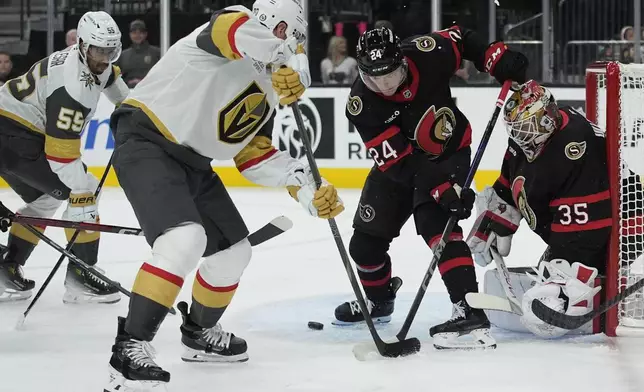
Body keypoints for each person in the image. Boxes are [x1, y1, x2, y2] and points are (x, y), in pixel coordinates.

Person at [104, 0, 344, 390]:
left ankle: (198, 332)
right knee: (185, 238)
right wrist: (282, 55)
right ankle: (129, 348)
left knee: (233, 252)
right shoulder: (235, 26)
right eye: (288, 37)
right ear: (275, 26)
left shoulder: (268, 88)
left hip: (194, 164)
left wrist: (306, 189)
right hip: (147, 141)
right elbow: (230, 31)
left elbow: (253, 155)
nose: (291, 47)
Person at [336, 27, 528, 350]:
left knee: (435, 222)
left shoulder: (427, 52)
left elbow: (465, 39)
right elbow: (400, 165)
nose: (383, 86)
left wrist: (495, 58)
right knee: (364, 246)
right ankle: (379, 301)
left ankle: (468, 309)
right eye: (373, 78)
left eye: (390, 75)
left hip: (448, 152)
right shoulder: (362, 104)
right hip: (400, 167)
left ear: (402, 61)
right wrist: (439, 187)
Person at [466, 80, 643, 338]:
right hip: (583, 225)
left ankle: (595, 294)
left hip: (621, 226)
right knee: (551, 273)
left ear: (547, 118)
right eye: (516, 130)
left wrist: (568, 276)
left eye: (526, 129)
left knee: (566, 283)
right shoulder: (529, 140)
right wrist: (497, 215)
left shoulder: (575, 146)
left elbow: (589, 225)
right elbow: (509, 180)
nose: (520, 137)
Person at [0, 11, 129, 303]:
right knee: (83, 190)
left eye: (111, 50)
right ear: (83, 45)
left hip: (11, 132)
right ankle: (81, 275)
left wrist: (129, 109)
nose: (104, 58)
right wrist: (82, 194)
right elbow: (60, 155)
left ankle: (6, 266)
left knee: (45, 199)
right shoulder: (73, 88)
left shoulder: (86, 57)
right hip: (15, 138)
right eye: (99, 51)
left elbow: (111, 79)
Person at [116, 19, 161, 87]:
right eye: (134, 32)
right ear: (130, 34)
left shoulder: (157, 52)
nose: (137, 35)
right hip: (129, 92)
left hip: (152, 90)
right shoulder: (123, 55)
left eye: (140, 32)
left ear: (146, 34)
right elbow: (116, 78)